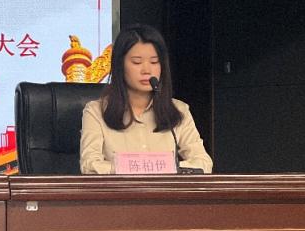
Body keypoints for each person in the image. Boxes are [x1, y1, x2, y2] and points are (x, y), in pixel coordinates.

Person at [80, 24, 213, 175]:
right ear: (119, 66)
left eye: (154, 62)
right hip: (119, 190)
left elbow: (203, 162)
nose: (147, 70)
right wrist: (138, 167)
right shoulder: (96, 112)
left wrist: (164, 167)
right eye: (137, 62)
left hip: (165, 190)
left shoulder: (179, 110)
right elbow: (89, 165)